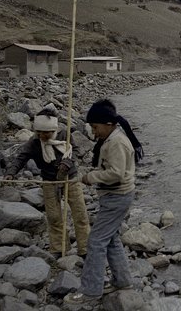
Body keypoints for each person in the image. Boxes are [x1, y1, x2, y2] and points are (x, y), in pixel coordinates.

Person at [64, 99, 144, 304]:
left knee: (96, 241)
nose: (93, 132)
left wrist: (90, 177)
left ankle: (91, 291)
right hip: (116, 196)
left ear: (108, 124)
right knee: (111, 239)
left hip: (117, 197)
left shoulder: (116, 142)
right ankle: (123, 281)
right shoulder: (112, 138)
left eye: (95, 127)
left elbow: (116, 174)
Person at [5, 106, 90, 258]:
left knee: (80, 214)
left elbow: (76, 151)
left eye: (47, 133)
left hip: (70, 178)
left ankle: (85, 248)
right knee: (54, 216)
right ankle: (59, 248)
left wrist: (67, 163)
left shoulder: (64, 135)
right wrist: (11, 173)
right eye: (40, 133)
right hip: (49, 181)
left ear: (54, 130)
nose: (44, 135)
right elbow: (21, 158)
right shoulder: (34, 143)